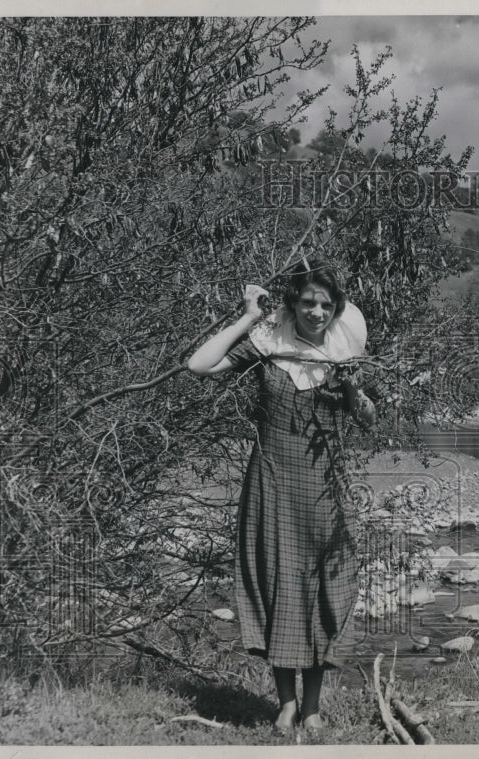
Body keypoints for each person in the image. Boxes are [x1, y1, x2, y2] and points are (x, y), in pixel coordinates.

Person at [187, 263, 375, 733]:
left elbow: (368, 418)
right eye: (308, 302)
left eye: (326, 305)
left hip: (325, 491)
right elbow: (199, 365)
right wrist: (249, 317)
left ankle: (312, 708)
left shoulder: (341, 354)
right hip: (272, 485)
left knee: (325, 592)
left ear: (336, 310)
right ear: (294, 304)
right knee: (279, 588)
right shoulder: (268, 346)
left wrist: (351, 383)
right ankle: (287, 705)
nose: (316, 312)